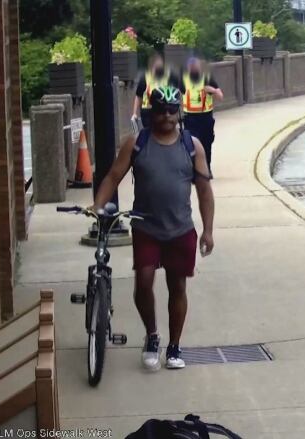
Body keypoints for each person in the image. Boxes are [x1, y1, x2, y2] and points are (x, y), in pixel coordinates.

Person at [94, 86, 215, 370]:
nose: (167, 116)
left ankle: (174, 346)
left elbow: (205, 191)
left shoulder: (192, 145)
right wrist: (98, 205)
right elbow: (112, 176)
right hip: (146, 227)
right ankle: (152, 336)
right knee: (144, 282)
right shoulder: (136, 143)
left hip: (181, 229)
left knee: (177, 287)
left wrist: (208, 230)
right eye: (161, 110)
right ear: (152, 113)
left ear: (180, 112)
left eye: (173, 110)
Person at [182, 58, 223, 170]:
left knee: (206, 144)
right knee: (191, 144)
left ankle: (206, 168)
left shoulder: (208, 78)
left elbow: (220, 96)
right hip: (190, 118)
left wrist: (213, 91)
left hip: (205, 117)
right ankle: (194, 169)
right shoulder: (184, 79)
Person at [133, 54, 181, 129]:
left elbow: (176, 95)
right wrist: (135, 113)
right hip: (147, 111)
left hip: (163, 109)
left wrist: (177, 113)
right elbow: (139, 96)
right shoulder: (145, 77)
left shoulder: (170, 77)